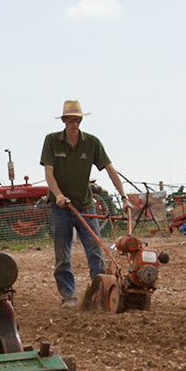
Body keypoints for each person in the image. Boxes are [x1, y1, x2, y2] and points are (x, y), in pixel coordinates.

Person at [40, 100, 128, 307]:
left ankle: (100, 293)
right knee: (62, 255)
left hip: (85, 205)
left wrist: (124, 197)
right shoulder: (51, 141)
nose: (75, 124)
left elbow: (110, 169)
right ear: (63, 120)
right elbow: (49, 173)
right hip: (60, 208)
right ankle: (68, 296)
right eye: (71, 120)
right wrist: (59, 195)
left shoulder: (92, 142)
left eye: (78, 120)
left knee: (96, 251)